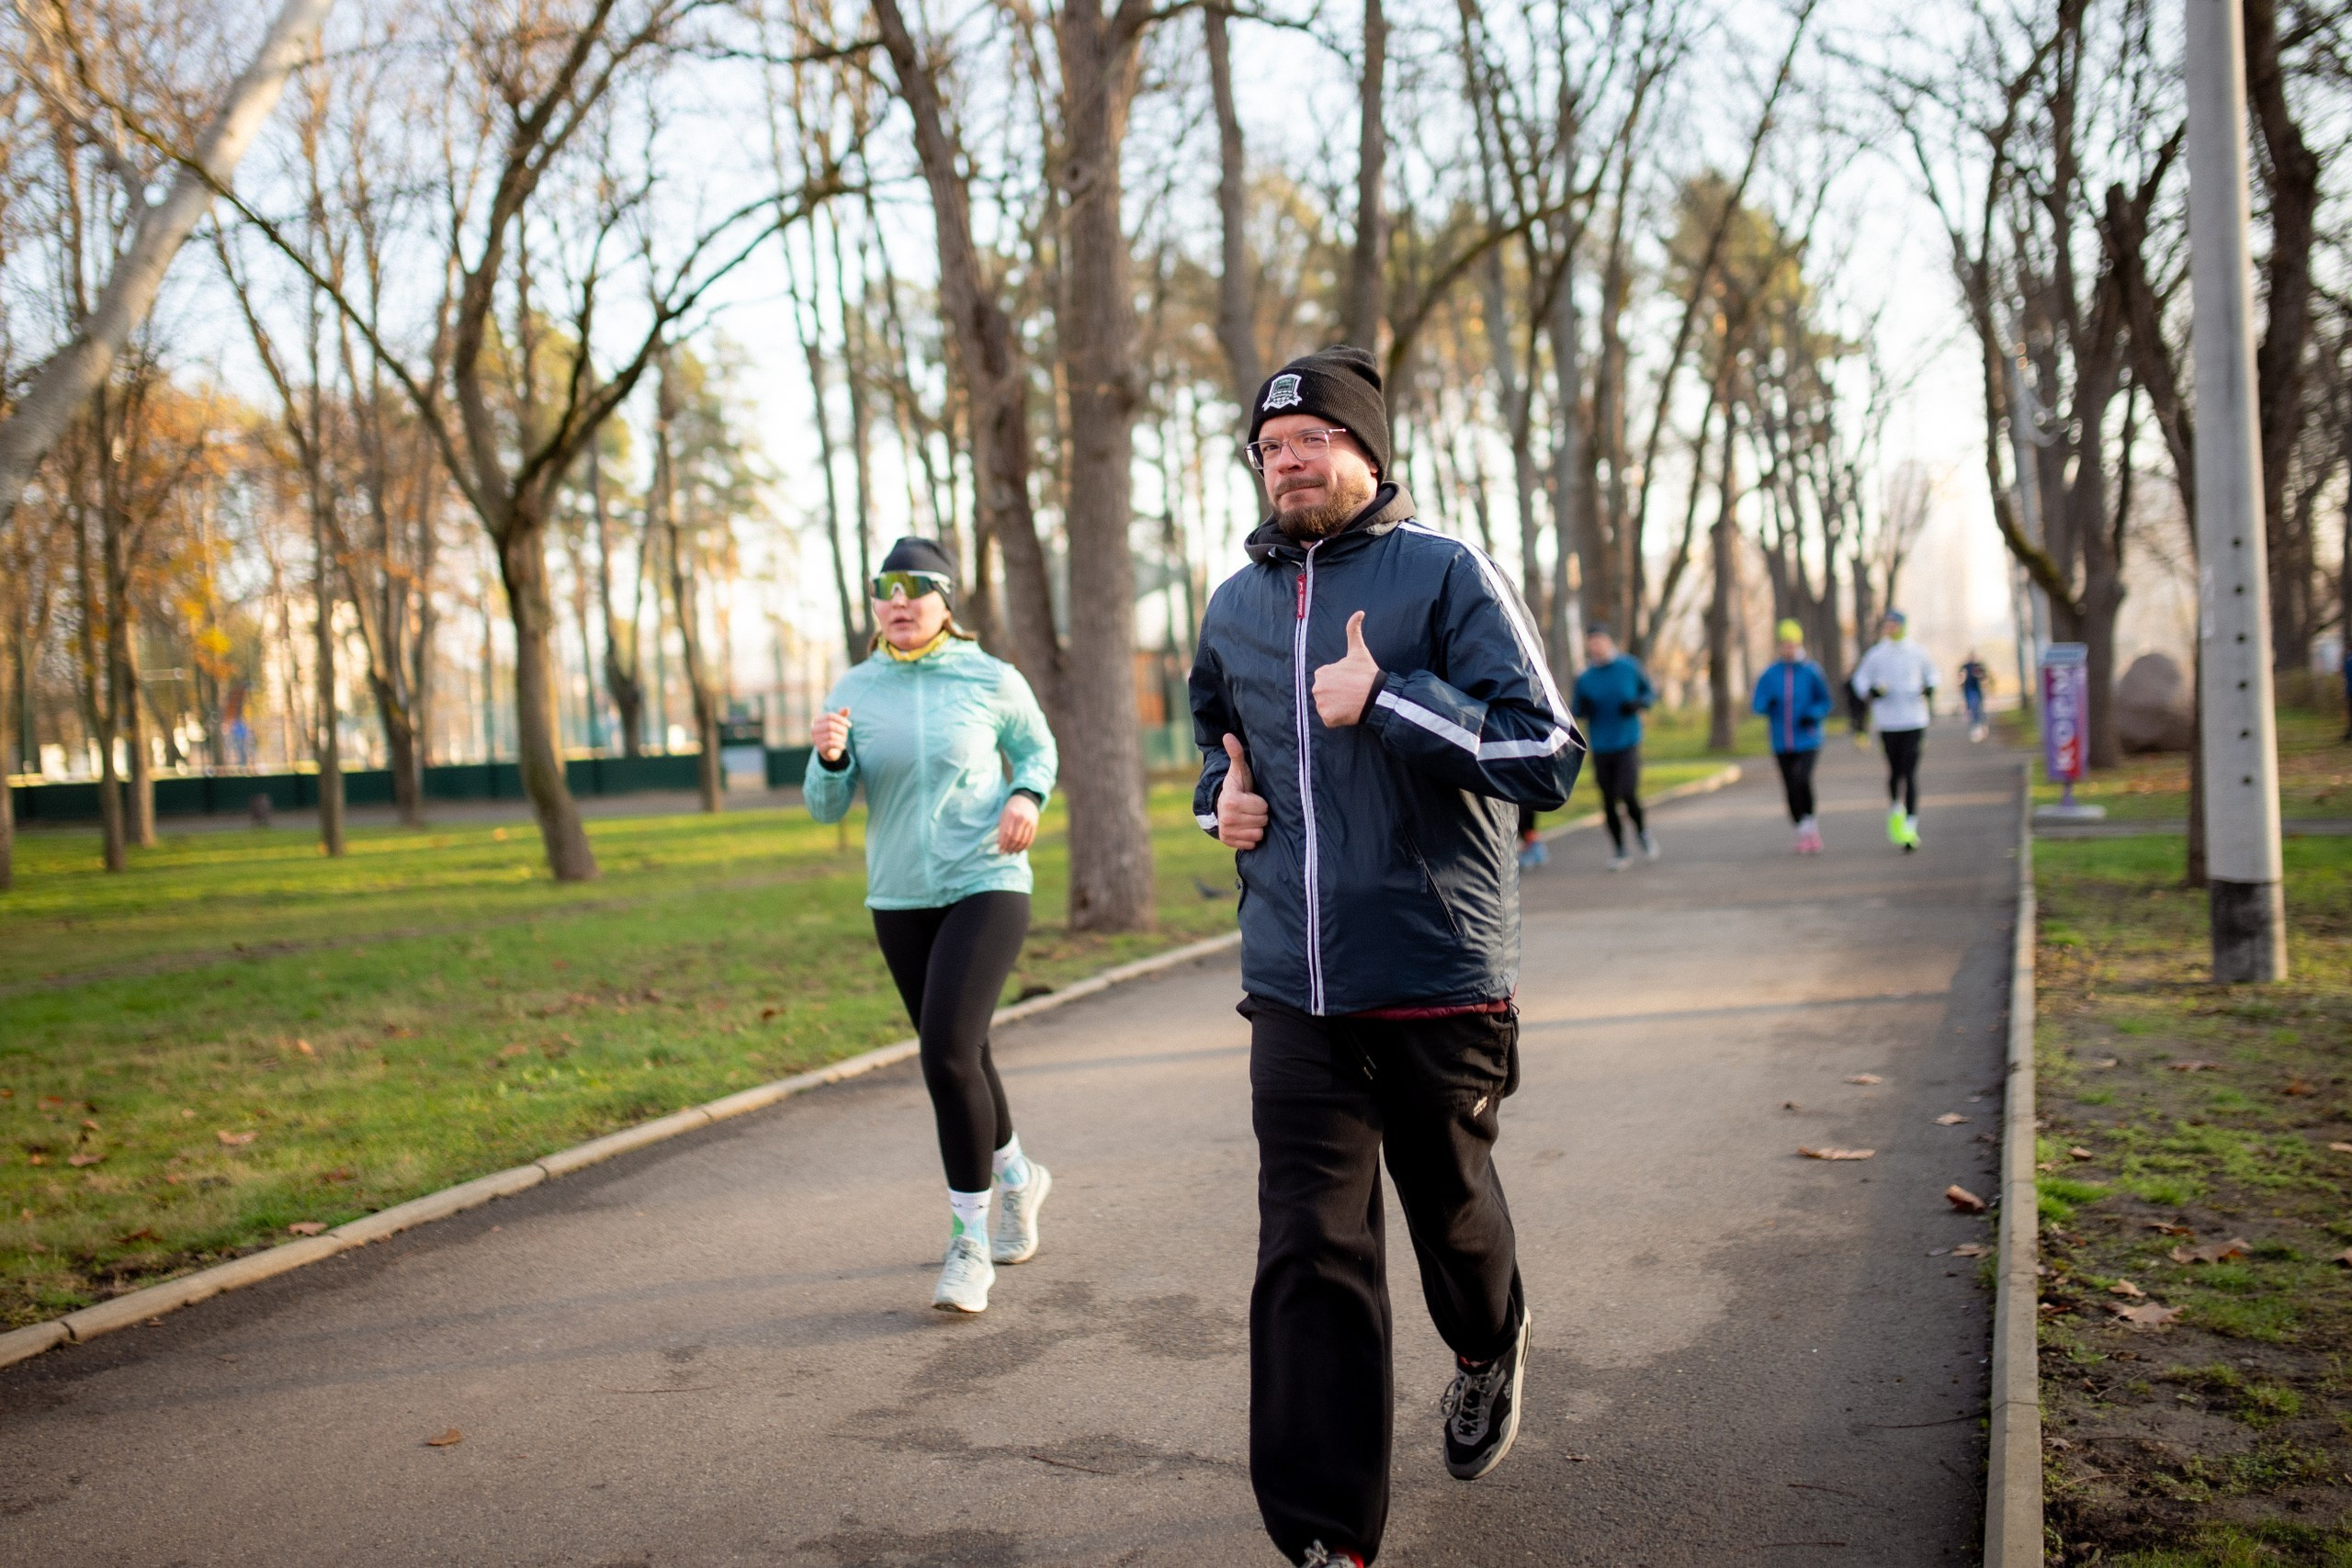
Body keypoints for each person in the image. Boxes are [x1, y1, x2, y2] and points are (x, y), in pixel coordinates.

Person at [1191, 345, 1582, 1568]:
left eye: (1311, 440)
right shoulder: (1233, 605)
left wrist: (1395, 700)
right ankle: (1325, 1536)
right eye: (1270, 446)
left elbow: (1549, 755)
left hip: (1435, 969)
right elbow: (1222, 748)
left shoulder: (1446, 571)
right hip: (1293, 983)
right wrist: (1221, 807)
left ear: (1364, 451)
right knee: (1309, 1243)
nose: (1288, 461)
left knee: (1450, 1207)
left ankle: (1486, 1338)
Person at [805, 537, 1058, 1315]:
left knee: (945, 1055)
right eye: (886, 589)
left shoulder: (990, 677)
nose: (899, 601)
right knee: (966, 1052)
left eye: (916, 588)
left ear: (946, 600)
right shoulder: (854, 687)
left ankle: (968, 1242)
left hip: (986, 879)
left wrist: (1025, 796)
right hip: (898, 898)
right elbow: (823, 807)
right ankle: (1018, 1176)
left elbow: (1037, 749)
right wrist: (831, 760)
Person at [1569, 624, 1657, 870]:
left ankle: (1642, 832)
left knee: (1628, 792)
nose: (1595, 645)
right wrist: (1583, 708)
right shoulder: (1585, 677)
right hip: (1601, 744)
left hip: (1627, 741)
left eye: (1599, 640)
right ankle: (1619, 850)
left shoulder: (1628, 666)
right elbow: (1576, 708)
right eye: (1591, 641)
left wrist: (1639, 703)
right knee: (1607, 799)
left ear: (1609, 641)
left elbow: (1650, 693)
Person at [1849, 609, 1938, 852]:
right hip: (1888, 722)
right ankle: (1896, 811)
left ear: (1903, 626)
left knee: (1910, 772)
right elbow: (1860, 681)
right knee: (1895, 771)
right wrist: (1872, 692)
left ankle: (1911, 825)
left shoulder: (1917, 652)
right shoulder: (1877, 654)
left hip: (1914, 720)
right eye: (1887, 624)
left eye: (1895, 624)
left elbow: (1933, 674)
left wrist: (1929, 688)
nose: (1891, 628)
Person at [1752, 619, 1834, 854]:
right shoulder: (1770, 673)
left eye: (1792, 644)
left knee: (1802, 779)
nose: (1788, 648)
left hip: (1808, 738)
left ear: (1798, 644)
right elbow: (1757, 703)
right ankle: (1801, 829)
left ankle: (1811, 826)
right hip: (1781, 740)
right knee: (1789, 785)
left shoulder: (1811, 671)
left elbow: (1826, 701)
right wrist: (1768, 704)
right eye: (1784, 644)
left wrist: (1813, 714)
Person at [1960, 652, 1990, 742]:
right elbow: (1960, 677)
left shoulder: (1978, 666)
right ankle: (1976, 729)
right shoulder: (1965, 666)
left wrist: (1980, 676)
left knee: (1977, 709)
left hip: (1977, 691)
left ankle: (1980, 727)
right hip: (1968, 691)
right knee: (1971, 709)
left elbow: (1984, 678)